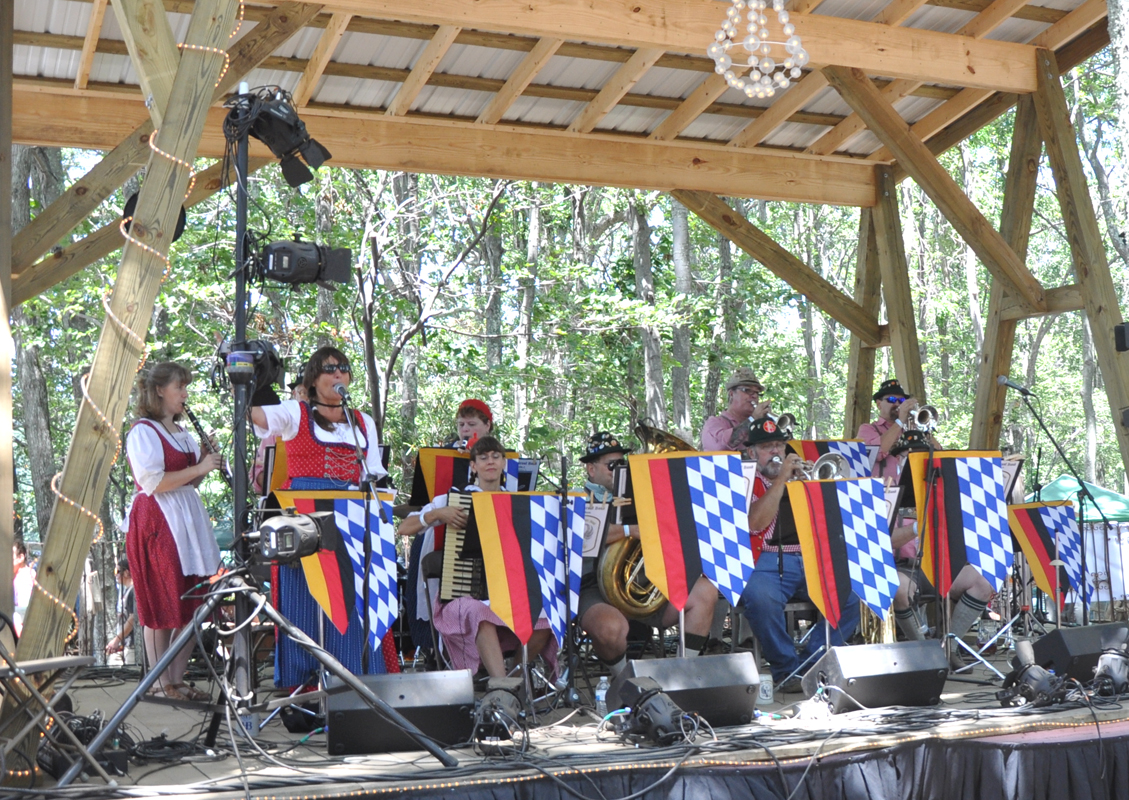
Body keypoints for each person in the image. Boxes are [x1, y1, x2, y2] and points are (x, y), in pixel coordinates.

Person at [251, 346, 395, 685]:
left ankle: (354, 680)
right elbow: (258, 417)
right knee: (305, 600)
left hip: (351, 523)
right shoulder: (295, 412)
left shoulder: (363, 422)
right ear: (313, 379)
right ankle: (305, 685)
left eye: (343, 368)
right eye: (330, 369)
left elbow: (373, 473)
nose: (338, 374)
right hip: (304, 522)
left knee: (350, 601)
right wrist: (253, 377)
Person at [399, 436, 556, 679]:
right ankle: (502, 685)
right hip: (461, 597)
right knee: (477, 612)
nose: (490, 462)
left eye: (495, 457)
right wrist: (438, 514)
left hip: (507, 593)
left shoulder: (519, 504)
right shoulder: (454, 500)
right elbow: (405, 528)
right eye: (483, 457)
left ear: (504, 463)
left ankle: (513, 678)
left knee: (547, 616)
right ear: (473, 466)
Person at [577, 431, 718, 677]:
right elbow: (583, 537)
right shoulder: (579, 500)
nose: (620, 470)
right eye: (612, 465)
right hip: (594, 589)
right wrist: (631, 530)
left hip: (643, 585)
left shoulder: (641, 495)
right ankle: (625, 681)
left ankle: (681, 675)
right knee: (610, 627)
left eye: (623, 464)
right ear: (591, 469)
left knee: (705, 592)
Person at [739, 417, 860, 693]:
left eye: (780, 445)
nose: (776, 452)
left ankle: (811, 665)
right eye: (768, 447)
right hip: (765, 560)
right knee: (760, 598)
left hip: (810, 558)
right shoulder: (745, 480)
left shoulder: (803, 476)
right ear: (752, 453)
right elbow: (755, 524)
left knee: (850, 593)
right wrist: (781, 481)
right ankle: (786, 669)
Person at [125, 362, 222, 701]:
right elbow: (153, 483)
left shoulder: (181, 433)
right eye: (179, 387)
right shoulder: (142, 432)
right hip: (158, 520)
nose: (185, 393)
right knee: (162, 599)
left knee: (193, 599)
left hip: (186, 518)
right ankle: (159, 681)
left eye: (185, 386)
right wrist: (199, 466)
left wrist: (205, 463)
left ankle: (176, 681)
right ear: (159, 391)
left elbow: (189, 480)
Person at [251, 376, 308, 494]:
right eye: (303, 393)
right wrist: (273, 477)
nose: (308, 399)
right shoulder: (275, 431)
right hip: (281, 502)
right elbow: (255, 474)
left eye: (314, 393)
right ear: (294, 394)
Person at [700, 368, 772, 452]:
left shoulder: (758, 426)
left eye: (757, 393)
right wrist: (752, 419)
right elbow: (724, 445)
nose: (754, 396)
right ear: (731, 394)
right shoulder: (714, 423)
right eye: (747, 390)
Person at [106, 557, 137, 664]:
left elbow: (132, 619)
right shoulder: (128, 591)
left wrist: (116, 640)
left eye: (117, 571)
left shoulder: (133, 592)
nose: (115, 574)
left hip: (132, 645)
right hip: (125, 644)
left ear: (127, 573)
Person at [12, 538, 35, 636]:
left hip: (25, 628)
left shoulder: (24, 576)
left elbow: (23, 609)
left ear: (20, 557)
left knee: (15, 615)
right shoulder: (16, 576)